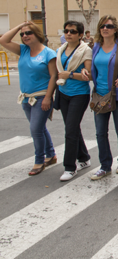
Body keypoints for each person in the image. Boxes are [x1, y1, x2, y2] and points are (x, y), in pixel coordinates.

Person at [0, 22, 57, 176]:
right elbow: (3, 40)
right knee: (39, 128)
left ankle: (39, 160)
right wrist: (20, 26)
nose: (25, 36)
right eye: (22, 34)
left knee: (35, 129)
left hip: (41, 97)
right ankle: (51, 155)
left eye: (28, 33)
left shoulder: (48, 53)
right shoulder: (23, 50)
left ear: (37, 34)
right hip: (26, 98)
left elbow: (53, 76)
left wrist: (47, 97)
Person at [82, 15, 118, 180]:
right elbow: (92, 68)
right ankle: (104, 166)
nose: (105, 29)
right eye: (102, 26)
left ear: (115, 29)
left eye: (109, 26)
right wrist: (85, 72)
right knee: (100, 132)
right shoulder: (96, 46)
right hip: (99, 94)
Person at [56, 21, 93, 181]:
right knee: (72, 128)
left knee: (70, 129)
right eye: (66, 31)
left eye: (72, 31)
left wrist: (69, 74)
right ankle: (84, 158)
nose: (68, 33)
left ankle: (70, 167)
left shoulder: (86, 51)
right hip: (63, 92)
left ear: (80, 35)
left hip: (79, 94)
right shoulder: (60, 50)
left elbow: (89, 76)